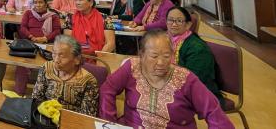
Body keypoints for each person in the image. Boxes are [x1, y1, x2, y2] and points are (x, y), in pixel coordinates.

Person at [100, 30, 234, 128]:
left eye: (166, 56)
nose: (161, 62)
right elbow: (107, 89)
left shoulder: (185, 78)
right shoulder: (132, 67)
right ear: (142, 54)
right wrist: (110, 122)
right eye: (154, 56)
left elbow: (213, 111)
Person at [166, 6, 224, 105]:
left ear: (188, 25)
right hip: (175, 86)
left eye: (179, 21)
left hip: (200, 93)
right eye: (170, 20)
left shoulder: (197, 48)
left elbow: (193, 80)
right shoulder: (167, 39)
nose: (174, 24)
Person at [31, 35, 99, 116]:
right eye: (54, 53)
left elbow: (87, 116)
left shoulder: (88, 81)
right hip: (45, 116)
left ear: (77, 59)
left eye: (61, 56)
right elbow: (36, 98)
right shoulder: (47, 68)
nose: (56, 60)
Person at [14, 0, 60, 96]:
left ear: (45, 4)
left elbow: (57, 31)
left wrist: (45, 38)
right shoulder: (28, 13)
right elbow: (23, 28)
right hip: (30, 43)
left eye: (40, 2)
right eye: (35, 2)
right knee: (22, 66)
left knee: (52, 67)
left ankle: (46, 95)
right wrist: (31, 37)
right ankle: (18, 94)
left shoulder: (53, 16)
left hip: (47, 44)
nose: (38, 5)